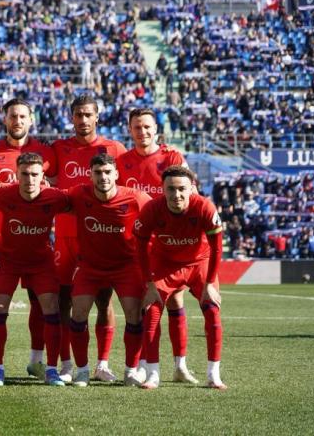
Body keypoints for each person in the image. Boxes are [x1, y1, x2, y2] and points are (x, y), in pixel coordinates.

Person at [0, 98, 57, 381]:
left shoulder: (48, 153)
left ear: (30, 119)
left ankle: (37, 360)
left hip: (36, 240)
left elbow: (59, 188)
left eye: (22, 116)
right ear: (5, 119)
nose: (17, 121)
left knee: (41, 301)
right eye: (12, 116)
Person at [117, 107, 198, 384]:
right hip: (136, 246)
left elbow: (192, 195)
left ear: (156, 129)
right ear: (130, 130)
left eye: (147, 127)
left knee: (176, 300)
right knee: (144, 306)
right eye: (137, 127)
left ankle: (180, 365)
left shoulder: (172, 157)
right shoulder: (121, 161)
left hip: (169, 246)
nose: (143, 132)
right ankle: (142, 364)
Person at [51, 95, 127, 383]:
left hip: (100, 238)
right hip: (65, 238)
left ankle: (103, 363)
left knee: (103, 301)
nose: (83, 120)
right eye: (78, 115)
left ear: (97, 117)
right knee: (63, 302)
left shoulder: (114, 149)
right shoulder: (59, 149)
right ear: (71, 118)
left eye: (88, 115)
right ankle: (67, 364)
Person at [134, 166, 226, 390]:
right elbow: (140, 246)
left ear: (192, 188)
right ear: (163, 190)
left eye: (182, 189)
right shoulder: (152, 209)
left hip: (199, 263)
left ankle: (214, 374)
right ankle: (153, 374)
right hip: (165, 264)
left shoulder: (204, 207)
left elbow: (216, 248)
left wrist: (209, 283)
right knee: (152, 310)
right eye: (171, 189)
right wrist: (149, 284)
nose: (177, 195)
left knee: (212, 309)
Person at [0, 153, 69, 387]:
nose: (29, 179)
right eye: (25, 174)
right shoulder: (3, 195)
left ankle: (52, 369)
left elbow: (77, 205)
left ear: (43, 176)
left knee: (51, 309)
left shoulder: (54, 197)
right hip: (9, 261)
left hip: (41, 261)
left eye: (34, 174)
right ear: (17, 174)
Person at [67, 154, 151, 387]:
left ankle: (131, 370)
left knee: (134, 316)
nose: (103, 177)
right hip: (90, 267)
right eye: (98, 172)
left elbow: (159, 213)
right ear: (90, 174)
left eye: (107, 172)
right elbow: (53, 199)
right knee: (78, 314)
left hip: (126, 267)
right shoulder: (78, 194)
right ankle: (82, 371)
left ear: (116, 174)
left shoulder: (136, 198)